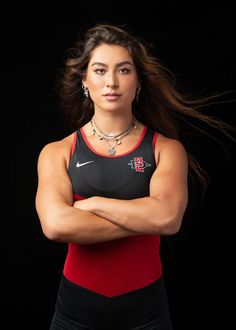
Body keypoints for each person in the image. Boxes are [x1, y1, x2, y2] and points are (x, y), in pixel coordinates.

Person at [35, 23, 233, 330]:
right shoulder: (57, 152)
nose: (111, 82)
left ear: (138, 81)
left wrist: (93, 204)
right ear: (85, 81)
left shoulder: (165, 150)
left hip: (146, 314)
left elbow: (167, 219)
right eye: (100, 70)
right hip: (75, 313)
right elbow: (57, 225)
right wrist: (143, 217)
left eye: (124, 70)